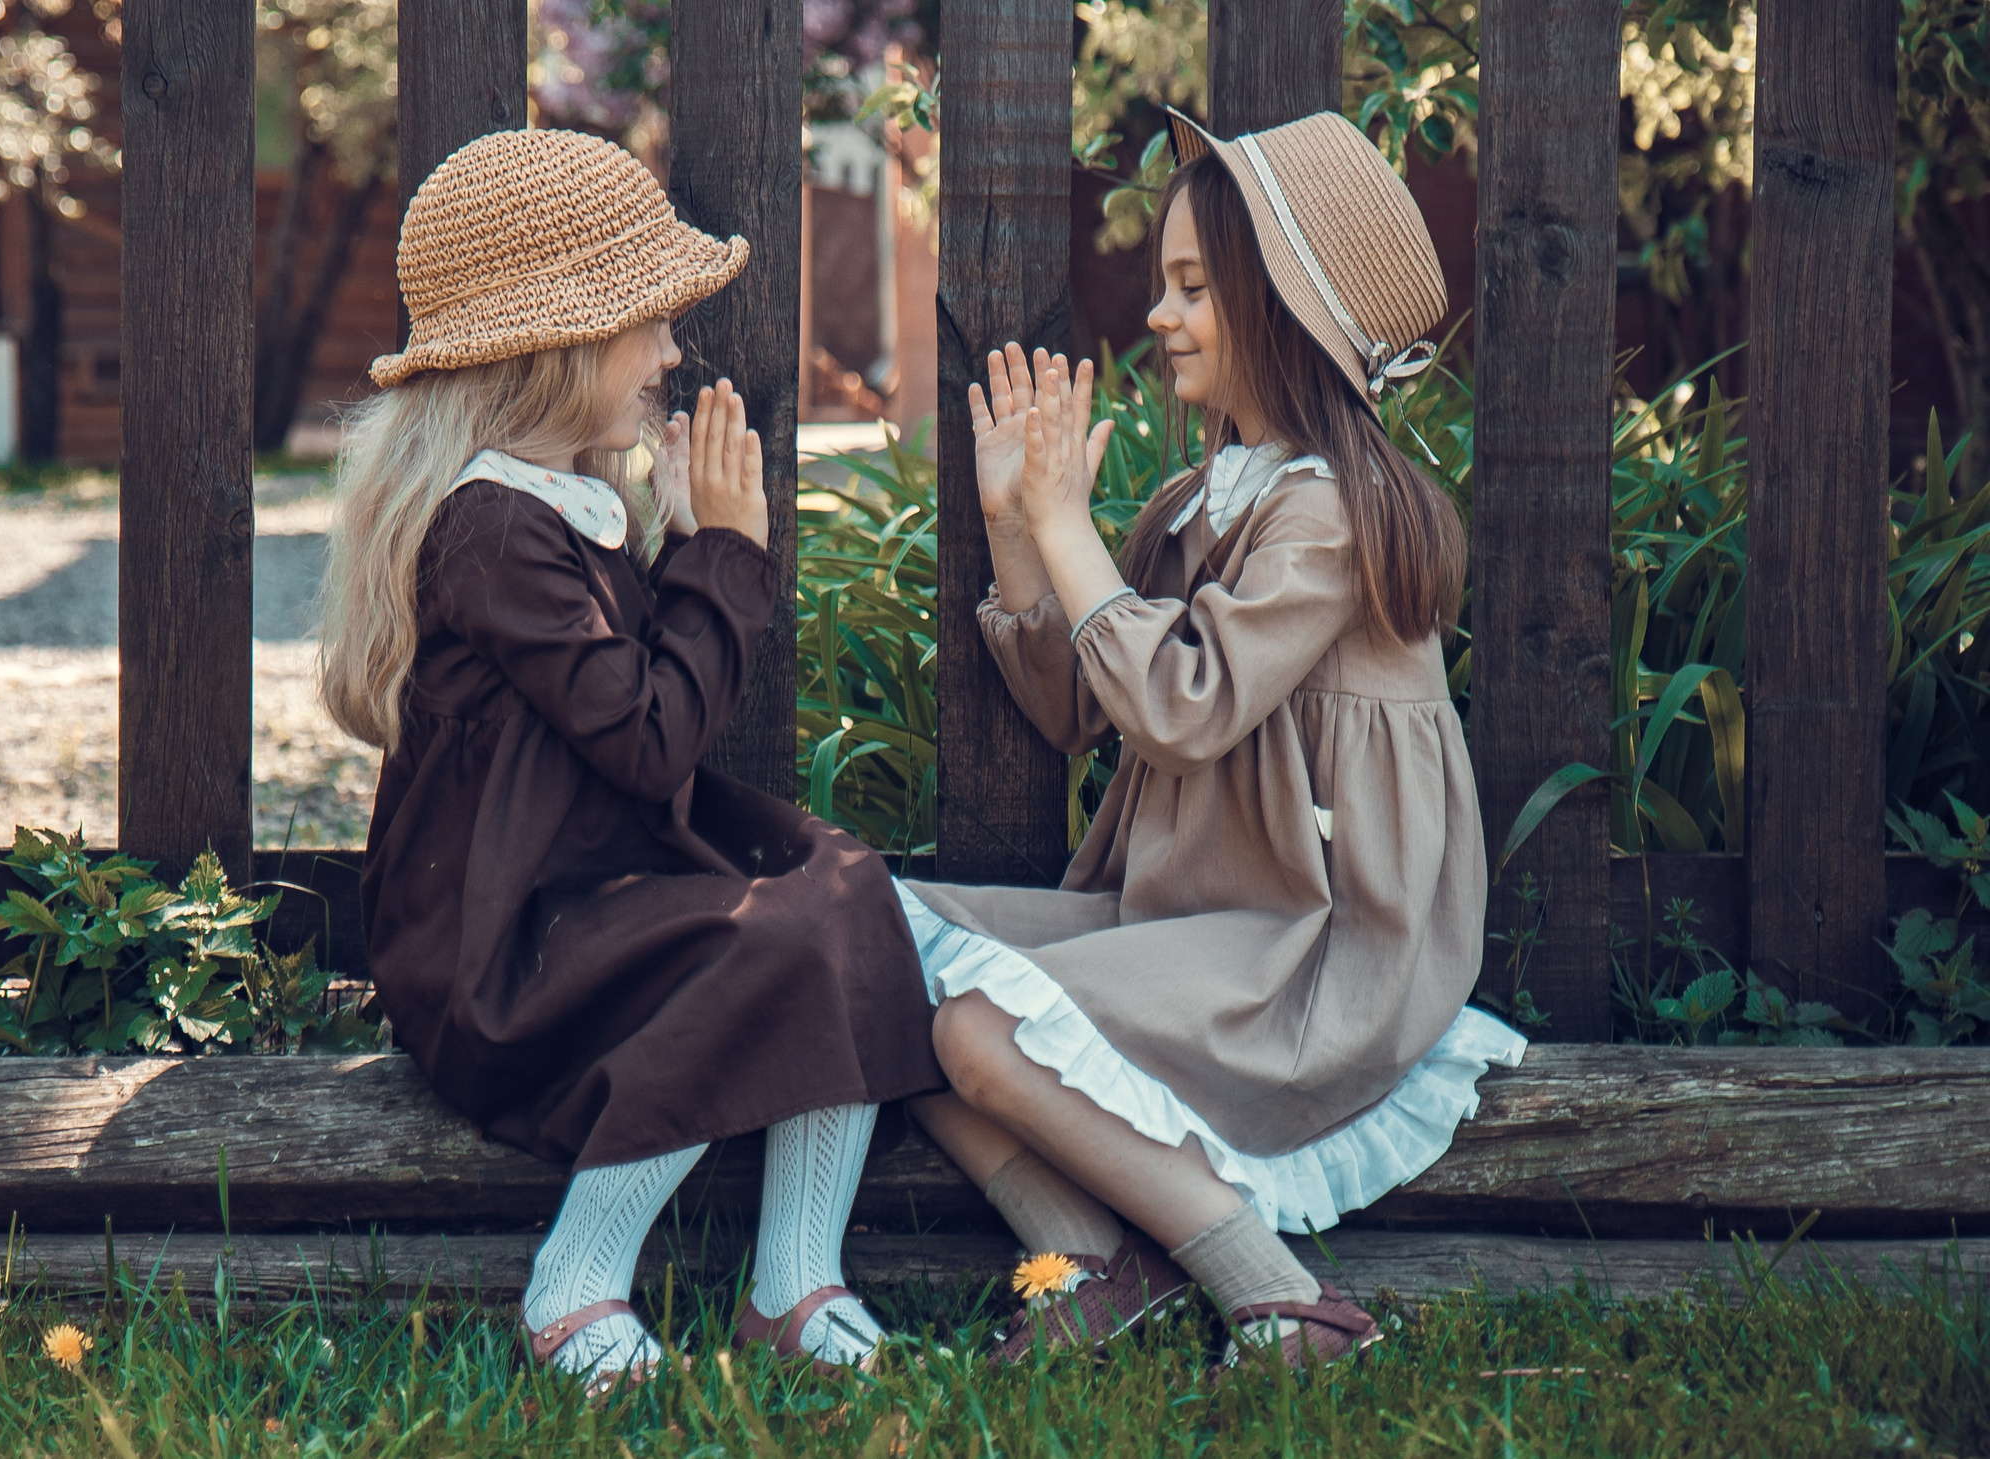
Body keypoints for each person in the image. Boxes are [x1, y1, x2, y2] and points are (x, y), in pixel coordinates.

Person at [899, 107, 1527, 1372]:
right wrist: (1022, 534)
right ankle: (1087, 1272)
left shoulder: (1335, 518)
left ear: (1286, 308)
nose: (1158, 317)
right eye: (1163, 285)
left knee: (972, 1031)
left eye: (1193, 287)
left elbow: (1182, 706)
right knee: (866, 965)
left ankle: (1281, 1298)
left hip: (1310, 947)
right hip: (1188, 920)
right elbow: (1085, 708)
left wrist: (1071, 527)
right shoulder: (1204, 499)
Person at [321, 129, 943, 1392]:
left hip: (589, 892)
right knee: (761, 944)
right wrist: (721, 554)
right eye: (647, 325)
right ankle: (575, 1283)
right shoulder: (492, 528)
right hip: (496, 950)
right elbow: (649, 738)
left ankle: (794, 1282)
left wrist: (692, 544)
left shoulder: (559, 503)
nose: (671, 353)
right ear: (557, 347)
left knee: (844, 890)